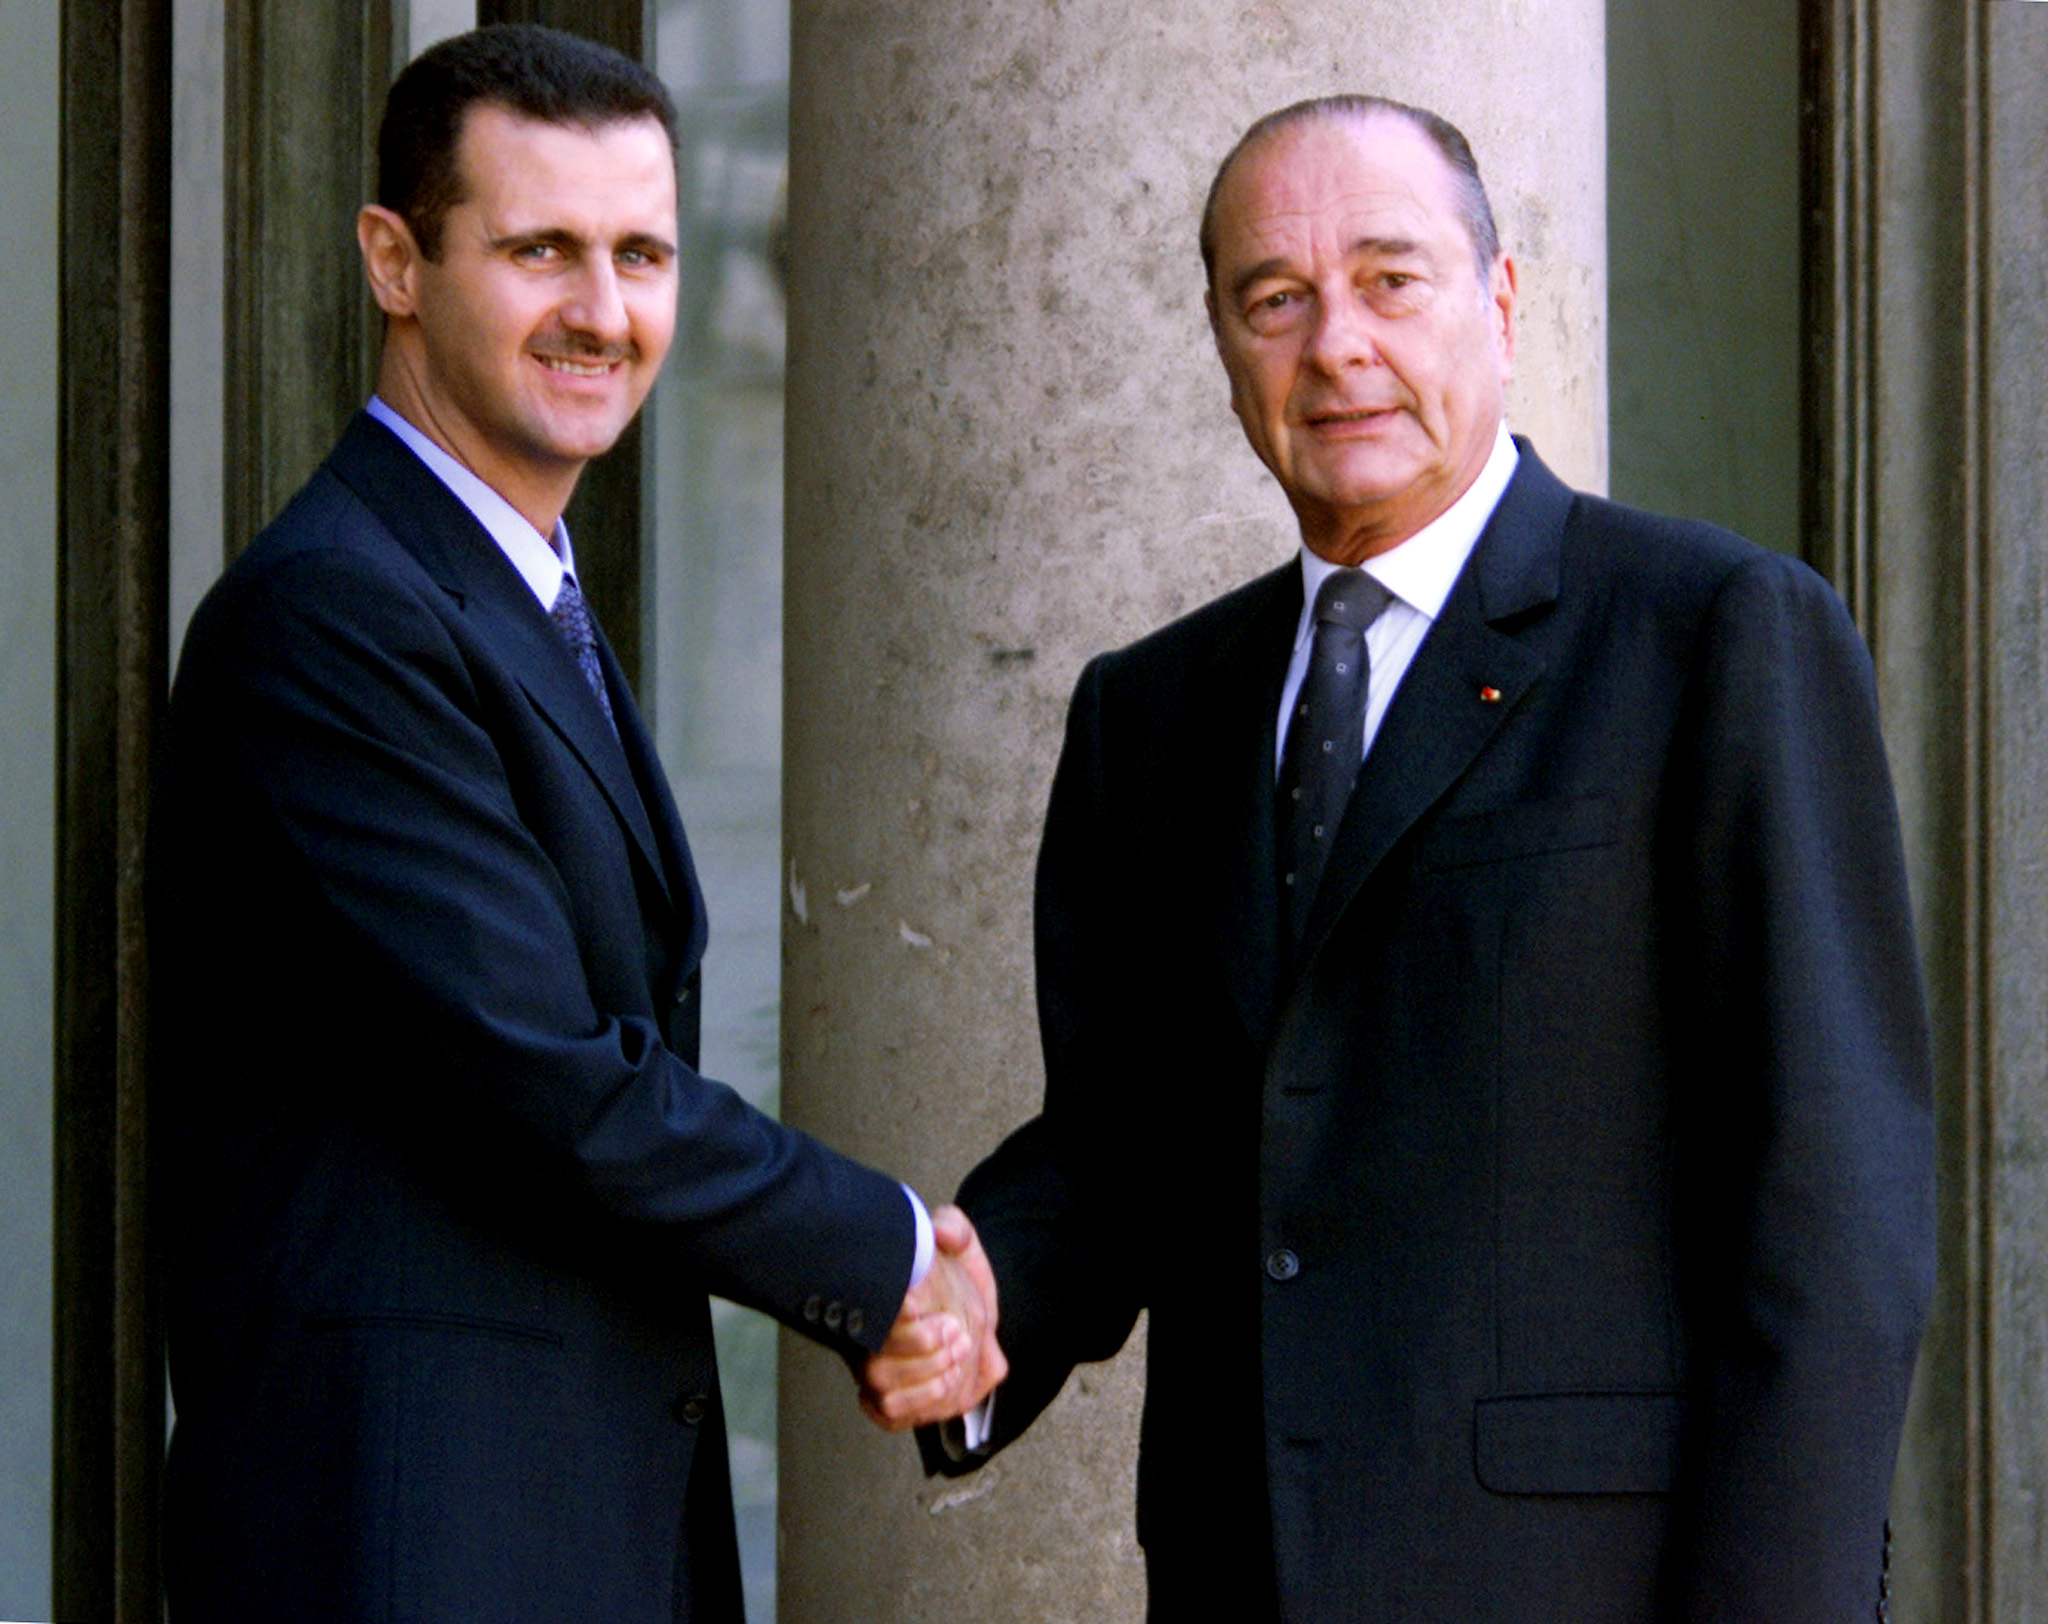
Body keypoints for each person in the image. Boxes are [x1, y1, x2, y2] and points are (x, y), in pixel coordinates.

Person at [884, 96, 1936, 1621]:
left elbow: (1831, 1215)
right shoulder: (1149, 714)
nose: (1336, 346)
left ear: (1499, 304)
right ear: (1225, 343)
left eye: (1392, 279)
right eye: (1277, 299)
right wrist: (983, 1299)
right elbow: (1121, 1146)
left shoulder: (1713, 636)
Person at [152, 25, 1000, 1622]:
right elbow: (559, 1083)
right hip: (413, 1548)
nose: (605, 314)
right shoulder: (335, 616)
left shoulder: (508, 588)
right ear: (394, 262)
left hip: (558, 1528)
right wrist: (889, 1253)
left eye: (642, 254)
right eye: (541, 250)